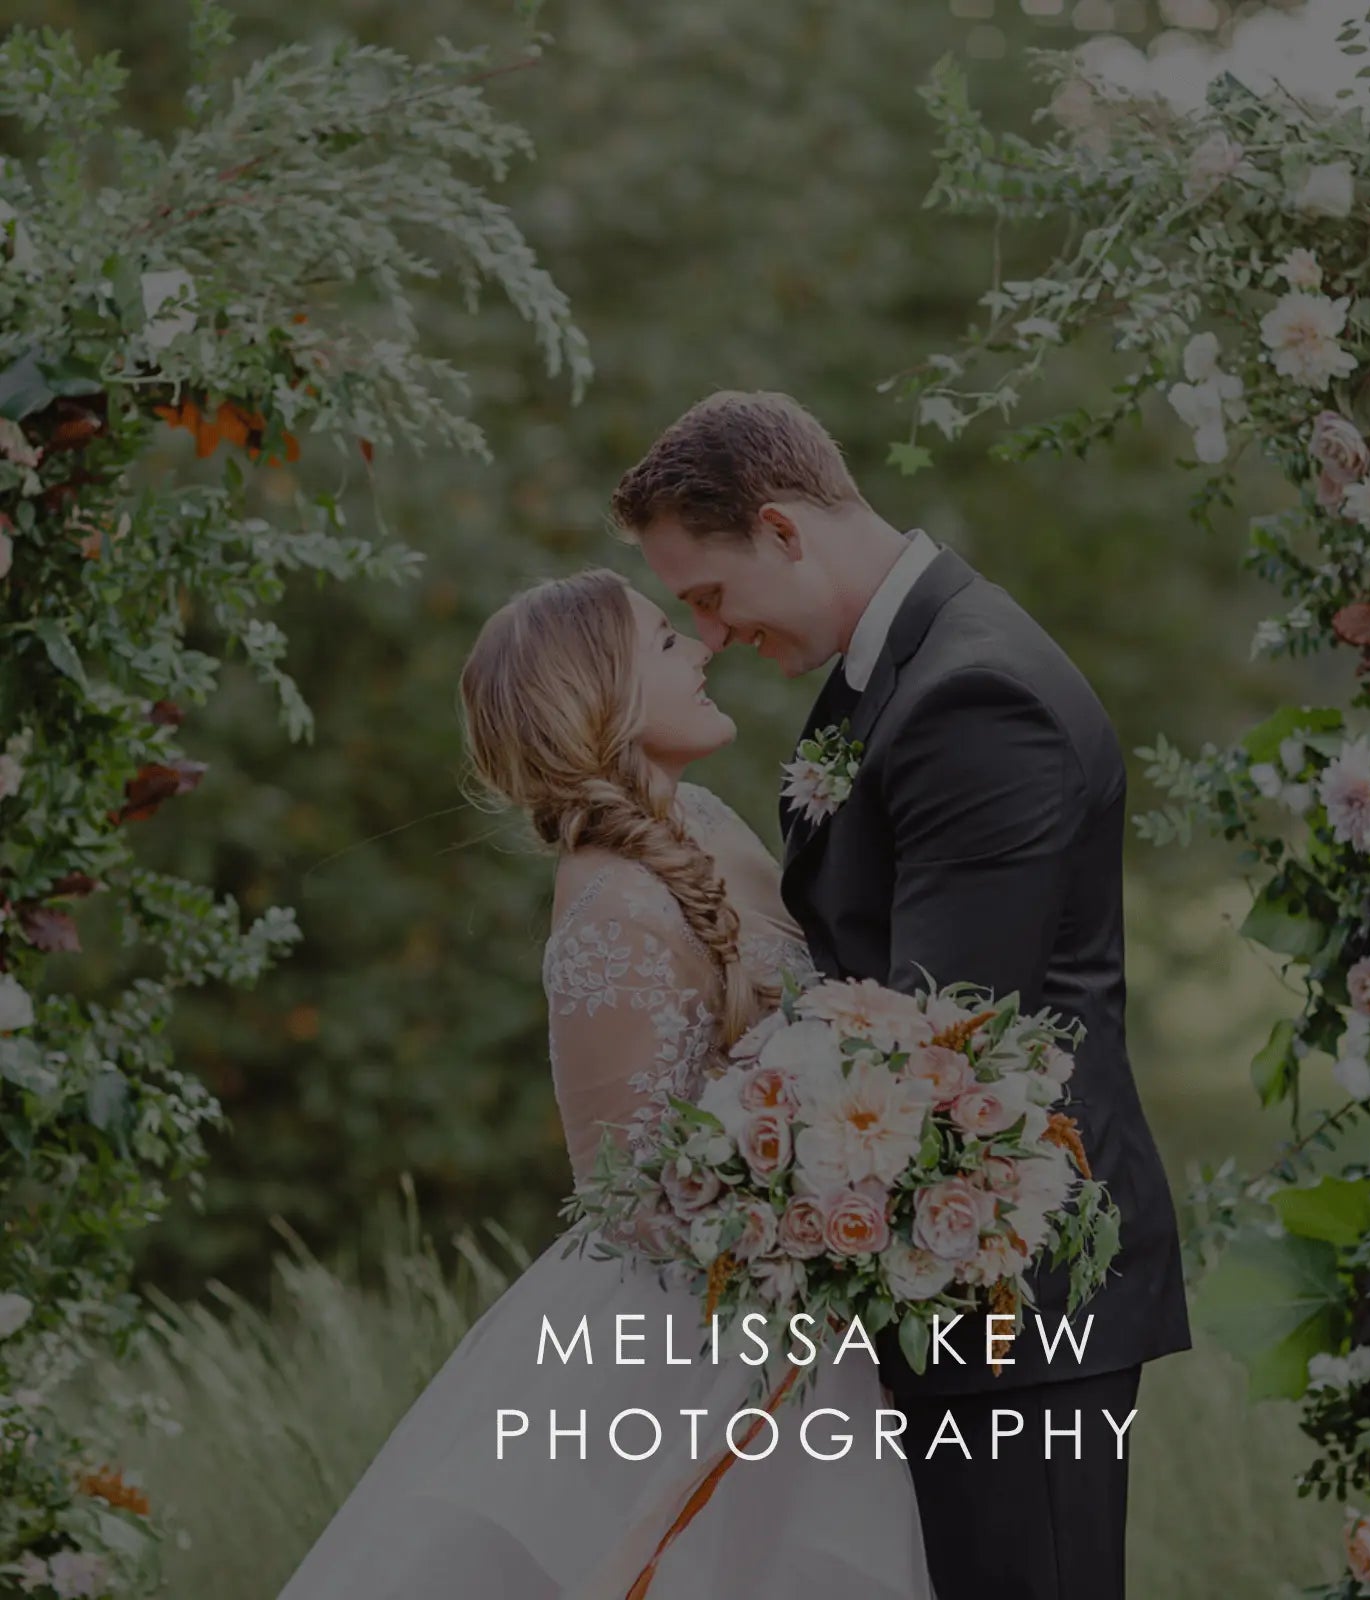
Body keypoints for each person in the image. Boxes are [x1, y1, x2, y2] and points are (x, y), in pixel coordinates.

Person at [614, 389, 1193, 1600]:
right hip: (952, 1291)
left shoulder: (978, 699)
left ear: (781, 530)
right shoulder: (898, 676)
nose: (708, 636)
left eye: (707, 596)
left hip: (1014, 1303)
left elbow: (929, 1046)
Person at [276, 569, 932, 1600]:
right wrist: (799, 1198)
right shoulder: (608, 899)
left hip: (795, 1315)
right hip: (685, 1342)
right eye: (669, 643)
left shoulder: (704, 818)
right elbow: (623, 1186)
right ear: (604, 695)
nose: (704, 647)